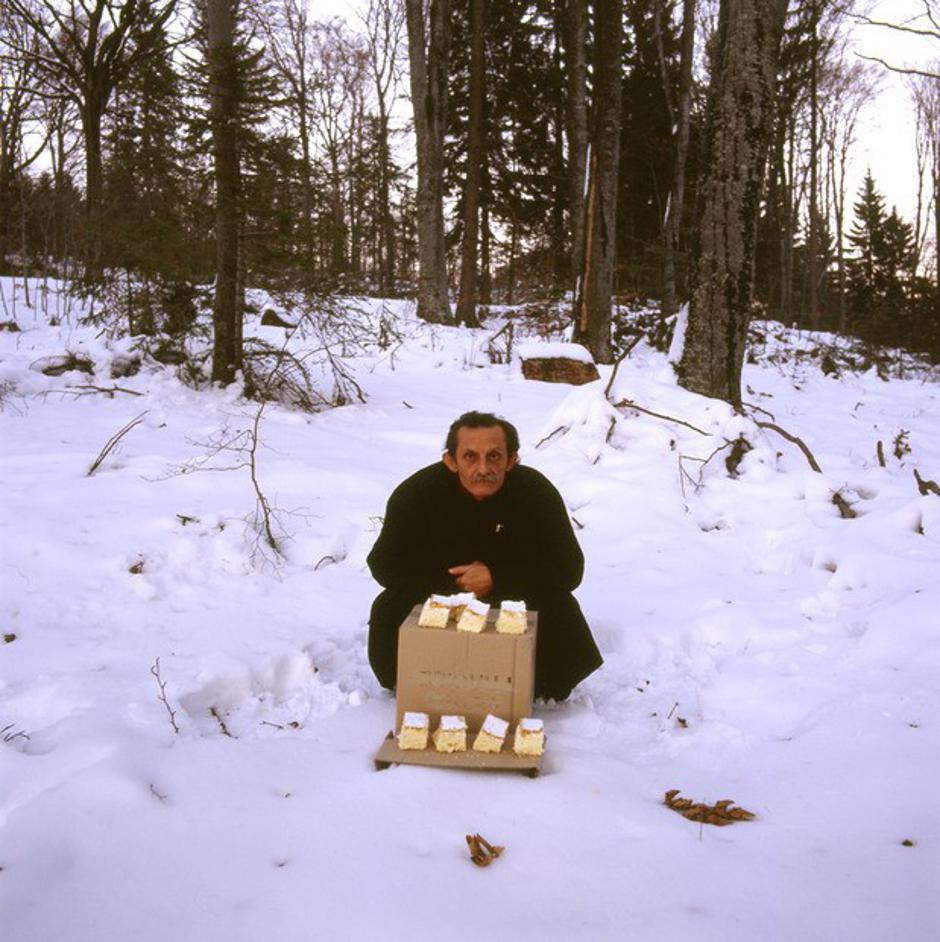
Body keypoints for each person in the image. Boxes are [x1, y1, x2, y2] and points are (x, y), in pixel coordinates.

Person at [366, 410, 603, 700]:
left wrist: (497, 578)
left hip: (515, 597)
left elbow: (568, 568)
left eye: (494, 456)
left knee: (559, 604)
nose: (483, 468)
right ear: (450, 461)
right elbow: (383, 564)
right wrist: (455, 580)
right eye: (470, 457)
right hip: (441, 598)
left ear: (511, 460)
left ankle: (541, 689)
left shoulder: (536, 492)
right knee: (390, 604)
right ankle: (411, 680)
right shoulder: (417, 493)